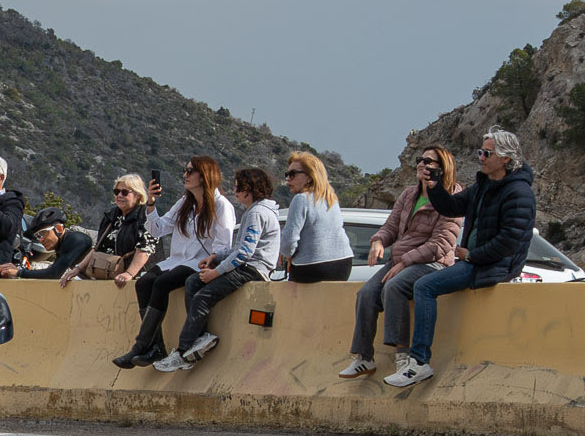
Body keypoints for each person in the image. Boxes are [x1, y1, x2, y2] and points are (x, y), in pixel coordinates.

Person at [386, 130, 536, 388]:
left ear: (506, 159)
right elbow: (451, 207)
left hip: (495, 266)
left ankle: (419, 362)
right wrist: (434, 185)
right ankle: (417, 362)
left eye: (487, 153)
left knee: (424, 286)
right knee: (422, 286)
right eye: (480, 151)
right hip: (476, 261)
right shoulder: (483, 187)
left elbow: (510, 240)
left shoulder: (519, 193)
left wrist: (473, 255)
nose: (481, 157)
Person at [341, 146, 464, 378]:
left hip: (431, 262)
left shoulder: (453, 198)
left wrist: (405, 262)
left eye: (429, 162)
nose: (422, 165)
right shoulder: (409, 194)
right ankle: (363, 357)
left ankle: (403, 357)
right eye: (420, 160)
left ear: (442, 168)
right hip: (402, 259)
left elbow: (441, 244)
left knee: (394, 287)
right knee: (366, 293)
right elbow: (390, 225)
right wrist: (378, 241)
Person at [156, 168, 281, 371]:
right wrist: (215, 257)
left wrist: (216, 272)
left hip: (253, 269)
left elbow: (245, 253)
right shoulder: (255, 211)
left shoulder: (257, 213)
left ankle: (182, 349)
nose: (235, 190)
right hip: (246, 265)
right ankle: (199, 339)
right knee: (193, 281)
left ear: (248, 189)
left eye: (238, 186)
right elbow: (238, 247)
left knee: (202, 296)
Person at [116, 156, 235, 368]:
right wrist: (151, 204)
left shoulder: (221, 206)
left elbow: (223, 243)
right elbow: (158, 229)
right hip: (176, 260)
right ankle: (155, 346)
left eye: (190, 171)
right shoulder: (184, 203)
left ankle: (140, 346)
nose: (185, 175)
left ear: (204, 175)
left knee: (162, 284)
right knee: (144, 283)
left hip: (198, 262)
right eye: (185, 170)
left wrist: (212, 263)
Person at [59, 175, 156, 288]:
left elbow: (145, 249)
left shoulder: (146, 216)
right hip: (108, 276)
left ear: (138, 195)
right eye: (116, 192)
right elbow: (97, 247)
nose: (119, 195)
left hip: (136, 280)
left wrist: (129, 274)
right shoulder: (111, 216)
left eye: (124, 192)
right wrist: (77, 269)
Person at [280, 152, 350, 283]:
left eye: (293, 174)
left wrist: (287, 255)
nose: (288, 179)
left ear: (309, 177)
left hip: (313, 264)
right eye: (287, 174)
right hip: (343, 262)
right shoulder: (331, 198)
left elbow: (289, 239)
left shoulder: (301, 199)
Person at [9, 210, 92, 280]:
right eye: (37, 236)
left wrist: (18, 272)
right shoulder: (62, 244)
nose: (40, 240)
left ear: (59, 228)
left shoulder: (74, 239)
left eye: (43, 233)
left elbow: (54, 273)